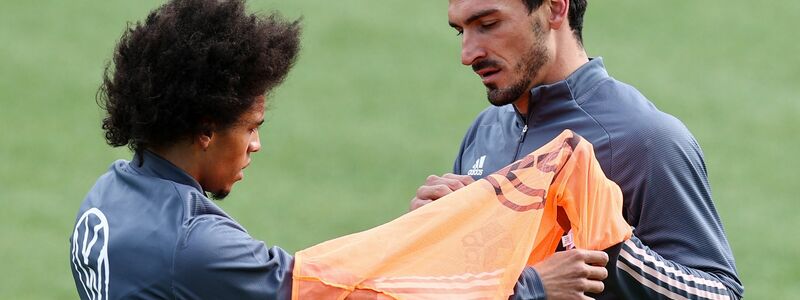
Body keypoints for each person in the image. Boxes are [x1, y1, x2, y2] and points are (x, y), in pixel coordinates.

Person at [410, 0, 744, 299]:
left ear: (554, 8)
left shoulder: (644, 139)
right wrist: (434, 236)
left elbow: (720, 293)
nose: (468, 55)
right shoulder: (484, 132)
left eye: (488, 24)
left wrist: (612, 250)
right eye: (460, 32)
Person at [69, 0, 300, 298]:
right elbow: (323, 287)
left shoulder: (102, 198)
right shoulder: (195, 243)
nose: (255, 145)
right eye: (251, 128)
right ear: (206, 132)